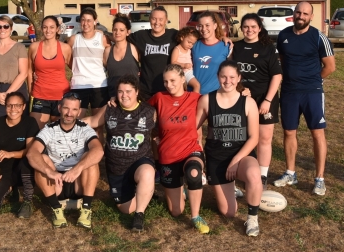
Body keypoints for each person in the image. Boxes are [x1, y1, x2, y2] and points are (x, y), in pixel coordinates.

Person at [273, 2, 335, 195]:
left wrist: (313, 81)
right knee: (289, 133)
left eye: (305, 13)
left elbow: (330, 66)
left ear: (311, 16)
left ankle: (319, 179)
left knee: (317, 133)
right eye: (298, 12)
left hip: (312, 92)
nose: (301, 16)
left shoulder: (318, 37)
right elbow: (283, 61)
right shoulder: (283, 35)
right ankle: (290, 172)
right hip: (289, 92)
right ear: (294, 14)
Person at [196, 61, 263, 237]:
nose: (228, 81)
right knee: (228, 212)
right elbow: (194, 128)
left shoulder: (248, 103)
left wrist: (235, 161)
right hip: (216, 158)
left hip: (241, 156)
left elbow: (254, 138)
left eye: (232, 77)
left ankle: (252, 218)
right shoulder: (206, 100)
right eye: (223, 76)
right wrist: (198, 154)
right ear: (218, 77)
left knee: (255, 174)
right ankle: (230, 186)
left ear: (239, 78)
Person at [86, 75, 156, 232]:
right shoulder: (110, 108)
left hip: (139, 160)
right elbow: (93, 120)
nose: (124, 95)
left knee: (147, 172)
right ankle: (146, 192)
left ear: (137, 92)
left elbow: (163, 131)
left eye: (128, 91)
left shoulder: (149, 111)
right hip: (117, 166)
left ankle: (139, 215)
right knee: (126, 209)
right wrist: (67, 122)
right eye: (120, 91)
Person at [27, 93, 104, 229]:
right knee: (42, 159)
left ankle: (86, 208)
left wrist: (77, 169)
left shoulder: (84, 128)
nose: (69, 113)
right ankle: (57, 208)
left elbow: (99, 151)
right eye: (66, 108)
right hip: (57, 182)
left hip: (78, 182)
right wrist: (49, 172)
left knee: (90, 158)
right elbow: (32, 153)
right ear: (59, 108)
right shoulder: (49, 129)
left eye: (74, 109)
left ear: (79, 111)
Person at [149, 65, 209, 234]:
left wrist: (243, 93)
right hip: (168, 155)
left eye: (173, 80)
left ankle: (195, 216)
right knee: (176, 211)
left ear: (183, 79)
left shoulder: (195, 98)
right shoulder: (159, 97)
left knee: (194, 172)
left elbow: (221, 101)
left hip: (191, 150)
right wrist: (116, 100)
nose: (169, 85)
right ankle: (182, 188)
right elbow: (138, 108)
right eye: (165, 81)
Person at [232, 13, 282, 189]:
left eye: (253, 27)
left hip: (264, 99)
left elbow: (277, 75)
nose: (249, 30)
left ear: (259, 28)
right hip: (243, 98)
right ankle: (241, 171)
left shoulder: (268, 48)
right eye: (246, 27)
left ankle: (262, 175)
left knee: (264, 138)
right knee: (242, 137)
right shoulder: (235, 47)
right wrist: (239, 90)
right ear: (241, 28)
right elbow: (230, 74)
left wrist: (267, 100)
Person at [0, 91, 40, 218]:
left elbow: (31, 150)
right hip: (4, 168)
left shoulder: (30, 123)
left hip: (24, 166)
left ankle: (27, 201)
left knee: (28, 160)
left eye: (17, 105)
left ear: (24, 107)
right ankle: (10, 188)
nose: (13, 109)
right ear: (5, 106)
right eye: (9, 105)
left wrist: (11, 154)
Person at [66, 8, 111, 135]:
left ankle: (98, 154)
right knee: (77, 124)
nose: (86, 23)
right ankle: (80, 153)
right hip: (79, 85)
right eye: (83, 20)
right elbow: (66, 58)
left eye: (89, 20)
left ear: (95, 21)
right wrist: (76, 67)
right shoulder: (74, 39)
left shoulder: (103, 38)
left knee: (98, 126)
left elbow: (111, 55)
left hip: (99, 85)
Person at [27, 15, 72, 128]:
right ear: (41, 28)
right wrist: (30, 92)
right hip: (40, 95)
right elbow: (29, 71)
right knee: (35, 131)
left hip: (61, 96)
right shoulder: (34, 47)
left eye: (52, 27)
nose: (48, 30)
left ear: (57, 29)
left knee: (58, 134)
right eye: (45, 27)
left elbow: (76, 70)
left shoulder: (65, 48)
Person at [0, 15, 29, 122]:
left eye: (6, 26)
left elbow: (23, 73)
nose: (2, 29)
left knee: (19, 125)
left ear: (11, 28)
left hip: (16, 90)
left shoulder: (19, 48)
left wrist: (8, 93)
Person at [128, 6, 178, 100]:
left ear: (166, 20)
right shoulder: (141, 36)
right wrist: (101, 34)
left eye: (161, 19)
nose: (157, 22)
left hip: (167, 88)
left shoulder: (174, 35)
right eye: (154, 19)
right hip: (146, 89)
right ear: (150, 19)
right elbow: (121, 38)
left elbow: (192, 38)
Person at [192, 12, 232, 95]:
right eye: (200, 26)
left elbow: (231, 71)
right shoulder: (193, 45)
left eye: (207, 25)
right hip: (194, 93)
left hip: (215, 95)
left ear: (215, 26)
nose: (203, 29)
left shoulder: (226, 47)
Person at [103, 15, 140, 102]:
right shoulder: (107, 51)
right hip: (113, 96)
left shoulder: (134, 49)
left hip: (131, 97)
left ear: (128, 32)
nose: (117, 32)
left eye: (121, 30)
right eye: (115, 30)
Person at [170, 27, 201, 93]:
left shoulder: (188, 49)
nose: (190, 45)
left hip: (189, 72)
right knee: (197, 85)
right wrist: (183, 65)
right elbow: (173, 62)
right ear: (182, 37)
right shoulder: (177, 49)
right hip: (184, 72)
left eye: (192, 44)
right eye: (189, 42)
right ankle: (195, 100)